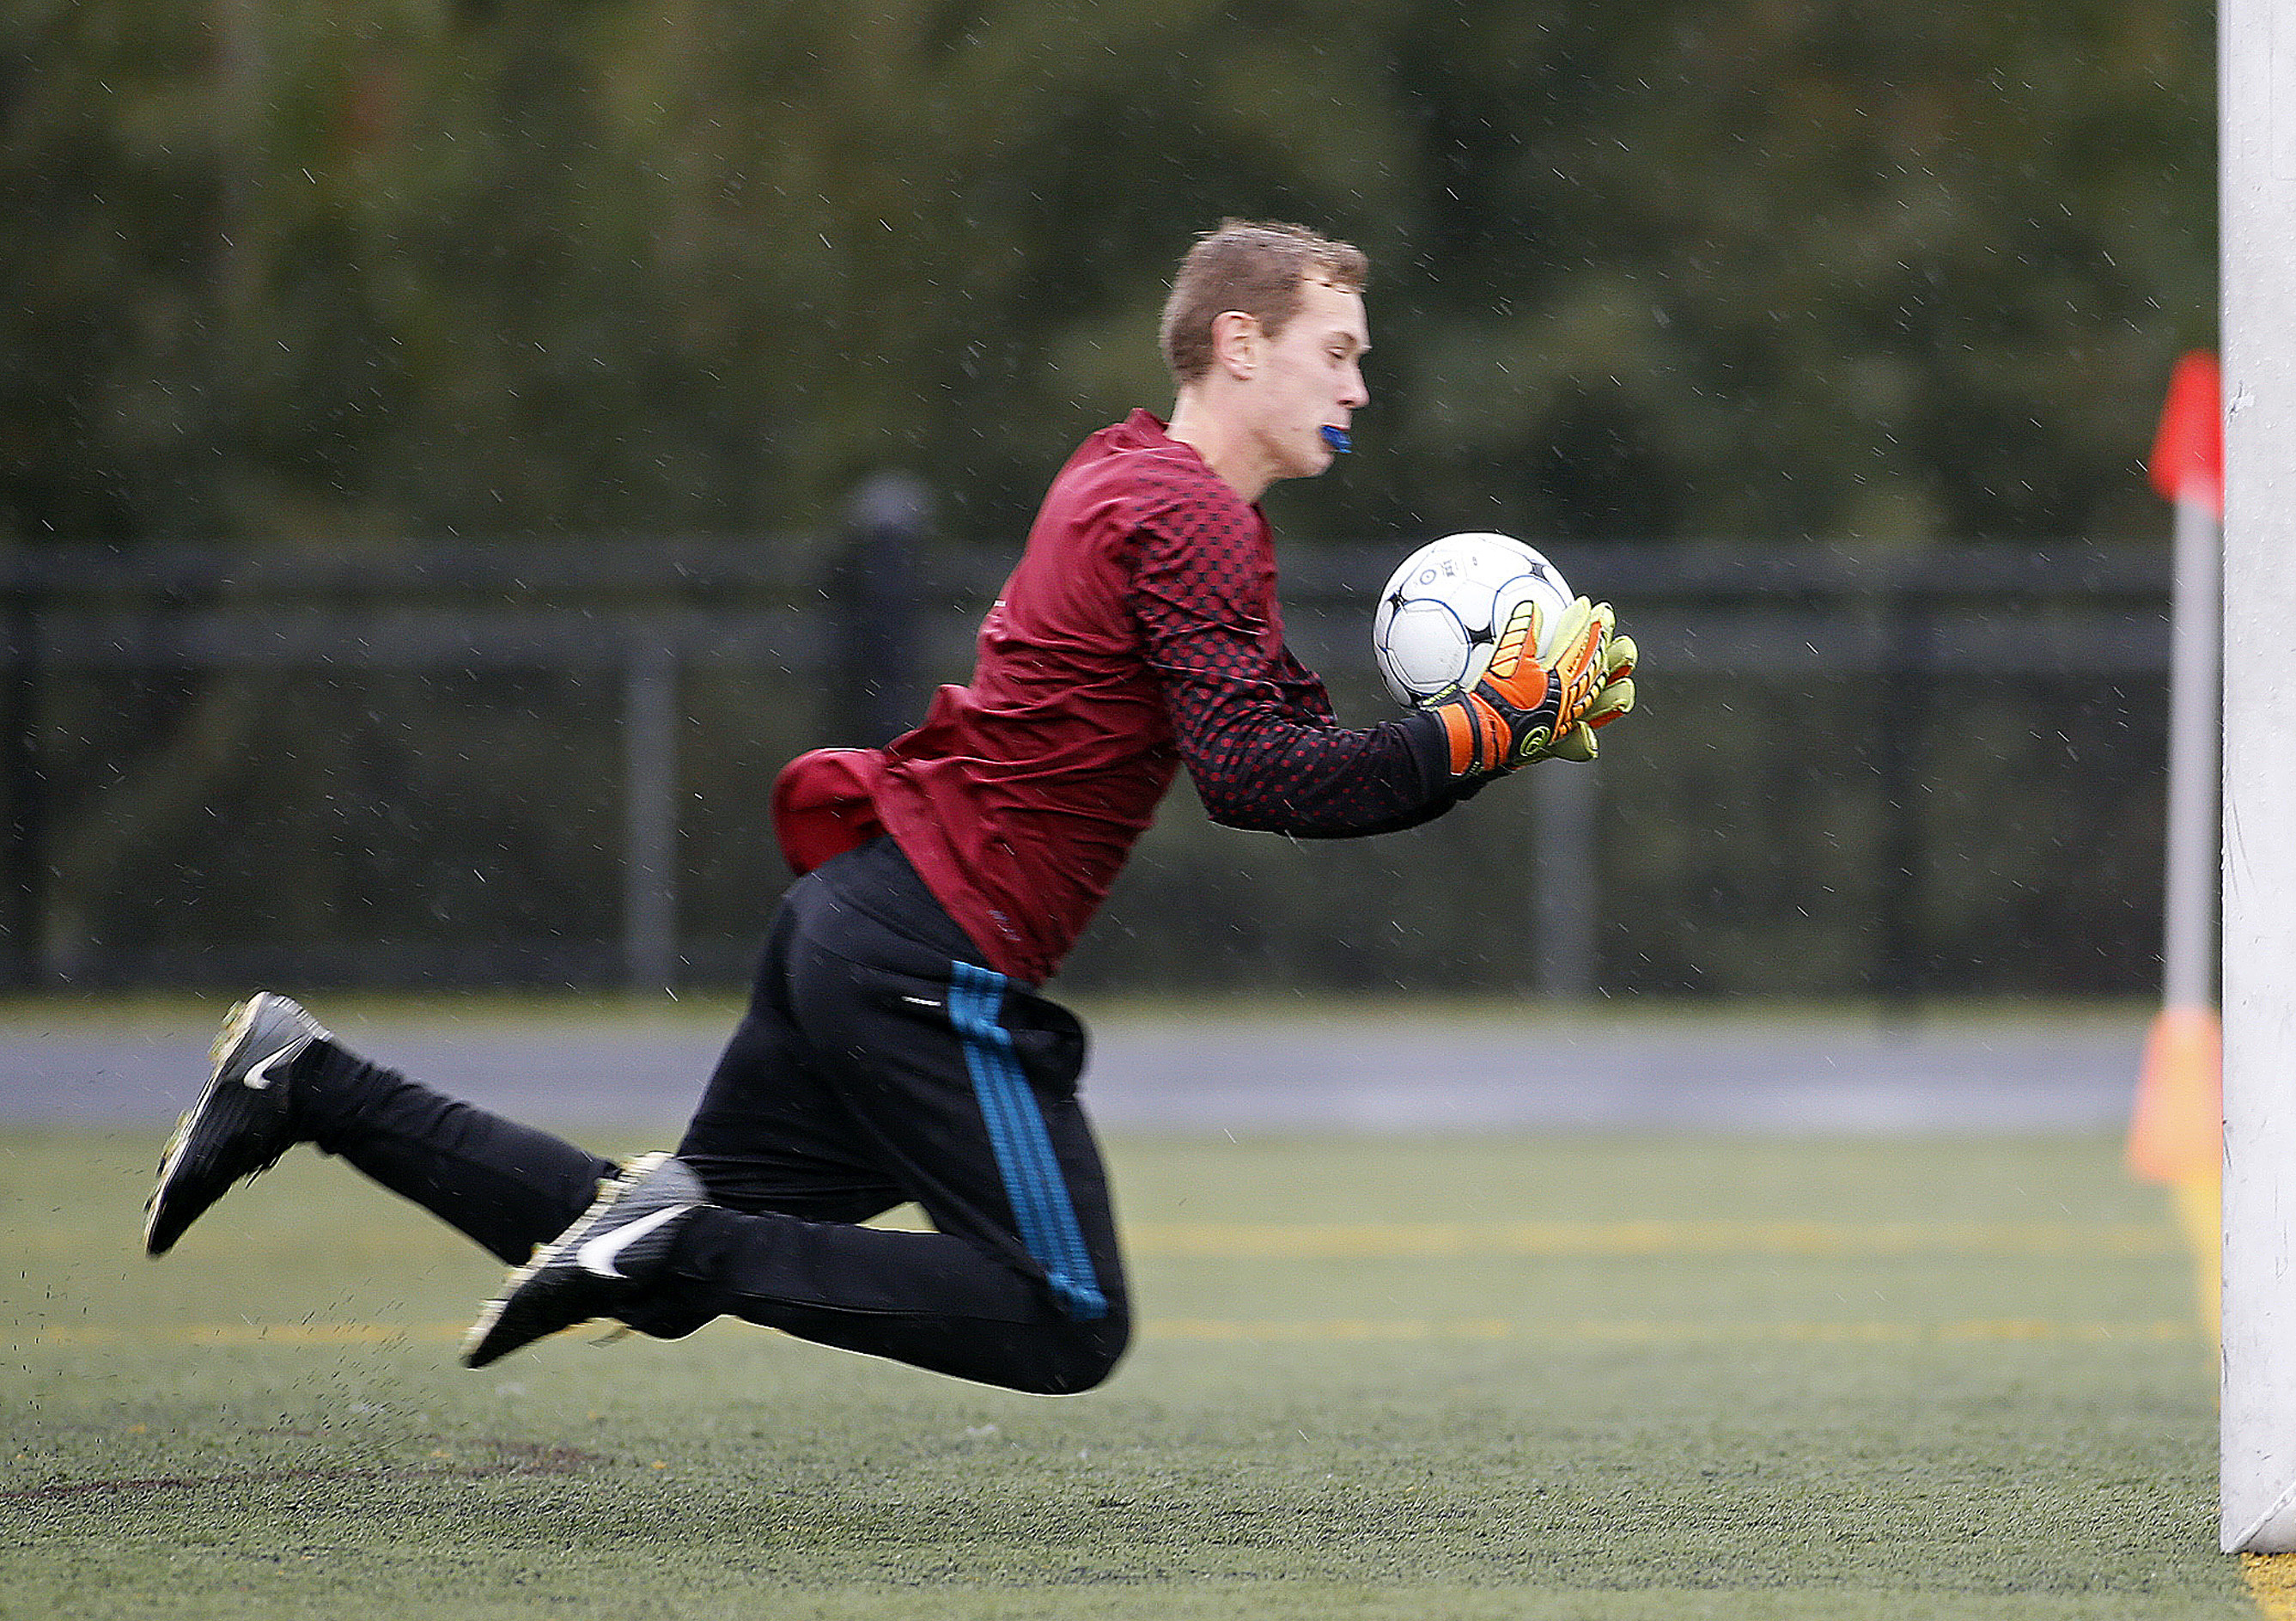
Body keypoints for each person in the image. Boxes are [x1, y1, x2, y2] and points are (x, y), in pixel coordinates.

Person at [141, 219, 1637, 1394]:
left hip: (861, 920)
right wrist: (1481, 728)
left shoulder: (1129, 473)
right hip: (929, 951)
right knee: (1066, 1317)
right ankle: (673, 1232)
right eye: (1340, 351)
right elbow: (1262, 781)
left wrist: (1476, 739)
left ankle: (308, 1083)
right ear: (1241, 344)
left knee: (650, 1248)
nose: (1360, 389)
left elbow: (1292, 750)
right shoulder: (1187, 517)